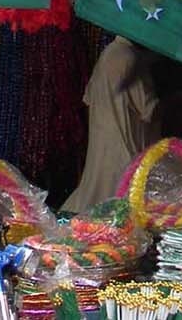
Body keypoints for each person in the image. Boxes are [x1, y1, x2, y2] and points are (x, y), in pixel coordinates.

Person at [63, 37, 160, 213]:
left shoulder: (108, 54)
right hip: (123, 146)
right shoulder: (130, 58)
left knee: (97, 194)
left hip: (103, 140)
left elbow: (88, 98)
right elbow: (150, 109)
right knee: (119, 203)